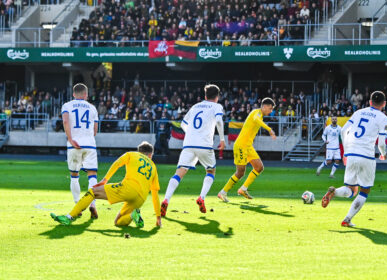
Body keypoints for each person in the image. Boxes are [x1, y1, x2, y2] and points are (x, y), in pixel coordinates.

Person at [51, 141, 162, 228]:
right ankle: (132, 214)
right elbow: (155, 194)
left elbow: (117, 163)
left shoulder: (132, 154)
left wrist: (105, 179)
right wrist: (158, 217)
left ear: (139, 151)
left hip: (128, 188)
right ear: (151, 155)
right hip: (141, 198)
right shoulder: (154, 167)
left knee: (92, 192)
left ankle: (69, 217)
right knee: (118, 222)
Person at [321, 91, 387, 227]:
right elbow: (381, 143)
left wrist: (346, 152)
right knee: (364, 190)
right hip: (367, 155)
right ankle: (347, 219)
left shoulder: (358, 112)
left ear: (369, 102)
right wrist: (383, 154)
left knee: (351, 189)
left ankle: (334, 192)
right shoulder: (383, 118)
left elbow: (343, 130)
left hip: (352, 153)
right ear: (384, 104)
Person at [160, 84, 225, 216]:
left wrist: (192, 134)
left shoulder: (195, 106)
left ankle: (166, 199)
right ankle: (201, 197)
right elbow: (219, 121)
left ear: (205, 96)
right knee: (211, 171)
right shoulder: (217, 106)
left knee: (179, 173)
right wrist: (222, 139)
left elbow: (183, 123)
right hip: (204, 145)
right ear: (217, 97)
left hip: (188, 144)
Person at [218, 98, 277, 202]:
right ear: (264, 106)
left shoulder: (261, 116)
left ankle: (243, 189)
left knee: (259, 167)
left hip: (248, 146)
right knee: (240, 172)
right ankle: (223, 192)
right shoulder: (256, 113)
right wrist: (269, 129)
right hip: (241, 145)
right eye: (270, 108)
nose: (271, 111)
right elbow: (256, 119)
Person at [61, 83, 99, 219]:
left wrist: (71, 139)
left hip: (74, 145)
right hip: (89, 145)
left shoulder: (67, 106)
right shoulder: (92, 108)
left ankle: (78, 206)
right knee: (92, 175)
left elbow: (65, 121)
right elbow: (95, 131)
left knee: (74, 176)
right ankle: (92, 204)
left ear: (73, 94)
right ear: (86, 95)